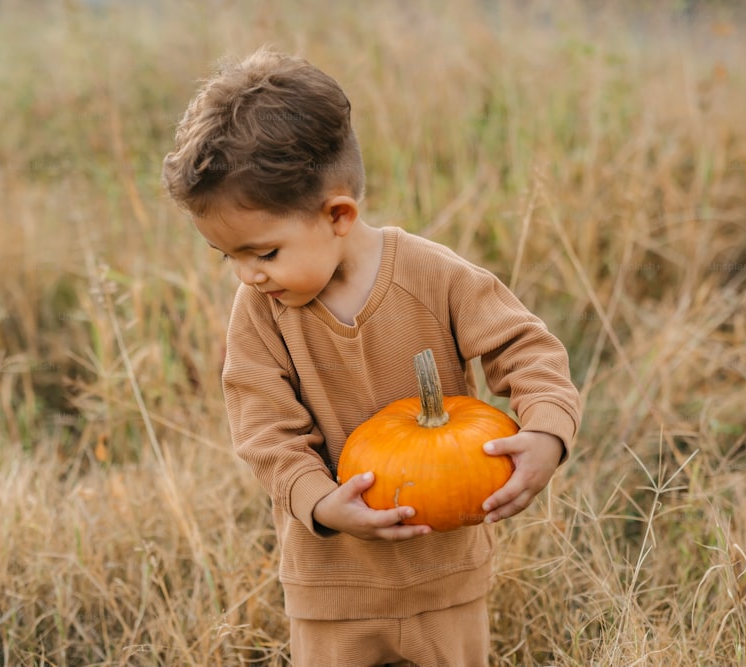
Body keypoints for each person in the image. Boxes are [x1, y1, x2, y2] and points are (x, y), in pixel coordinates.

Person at [162, 48, 582, 667]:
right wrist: (317, 501)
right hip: (333, 584)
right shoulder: (260, 313)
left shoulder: (435, 276)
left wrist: (547, 430)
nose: (248, 275)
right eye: (230, 257)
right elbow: (262, 426)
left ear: (338, 215)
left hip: (448, 576)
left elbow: (526, 346)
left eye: (264, 253)